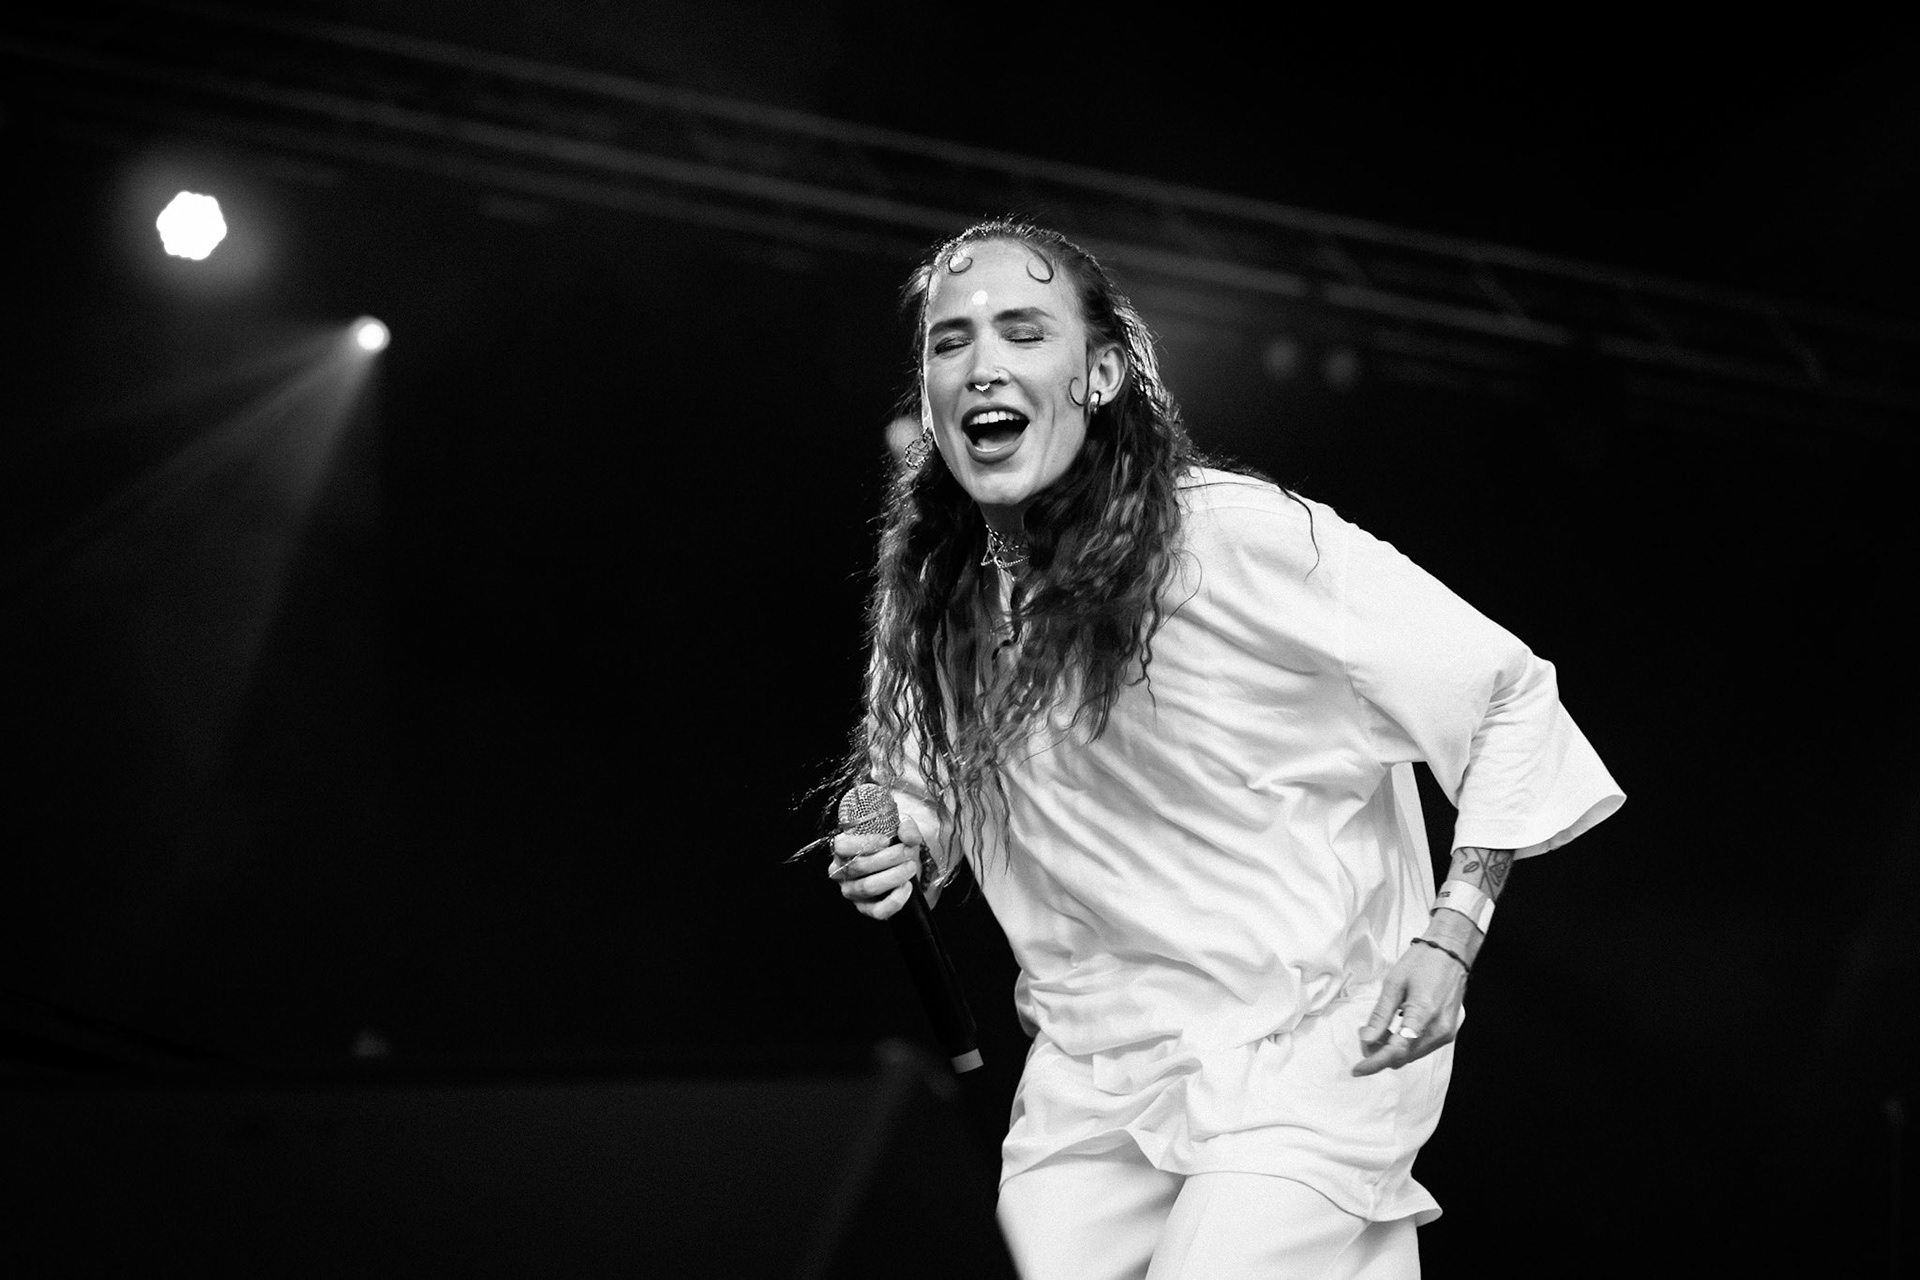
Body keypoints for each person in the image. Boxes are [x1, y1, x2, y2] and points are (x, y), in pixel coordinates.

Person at [827, 218, 1623, 1279]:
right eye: (950, 340)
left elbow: (1507, 695)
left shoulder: (1233, 539)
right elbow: (913, 786)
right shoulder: (934, 602)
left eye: (1023, 330)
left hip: (1301, 1048)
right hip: (1090, 1074)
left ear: (1102, 371)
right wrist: (898, 844)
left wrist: (1449, 936)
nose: (982, 366)